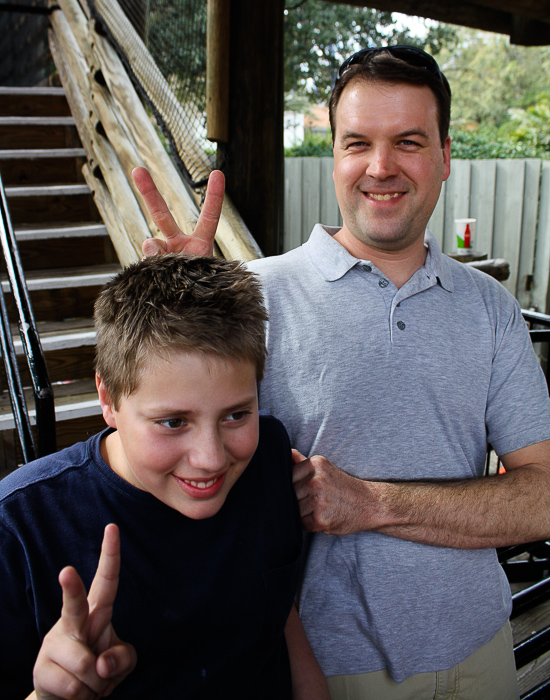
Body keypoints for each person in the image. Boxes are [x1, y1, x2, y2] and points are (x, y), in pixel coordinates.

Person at [132, 46, 550, 700]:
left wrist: (372, 503)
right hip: (323, 672)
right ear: (335, 159)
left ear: (445, 156)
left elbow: (543, 496)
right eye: (358, 143)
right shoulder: (253, 297)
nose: (380, 168)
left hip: (485, 653)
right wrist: (177, 314)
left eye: (408, 142)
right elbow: (162, 450)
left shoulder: (489, 307)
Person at [0, 253, 330, 700]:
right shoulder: (20, 528)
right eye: (173, 422)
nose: (211, 459)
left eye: (236, 414)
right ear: (109, 400)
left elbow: (281, 621)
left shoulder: (268, 454)